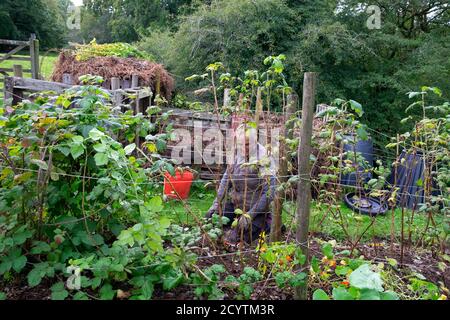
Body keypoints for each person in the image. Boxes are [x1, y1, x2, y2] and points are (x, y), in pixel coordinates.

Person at [206, 124, 277, 243]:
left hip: (257, 212)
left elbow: (270, 192)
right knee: (210, 219)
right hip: (236, 207)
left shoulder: (264, 158)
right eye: (240, 144)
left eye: (247, 144)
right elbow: (225, 181)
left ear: (256, 141)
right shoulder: (235, 153)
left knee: (237, 238)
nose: (243, 148)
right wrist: (216, 204)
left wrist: (250, 215)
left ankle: (268, 225)